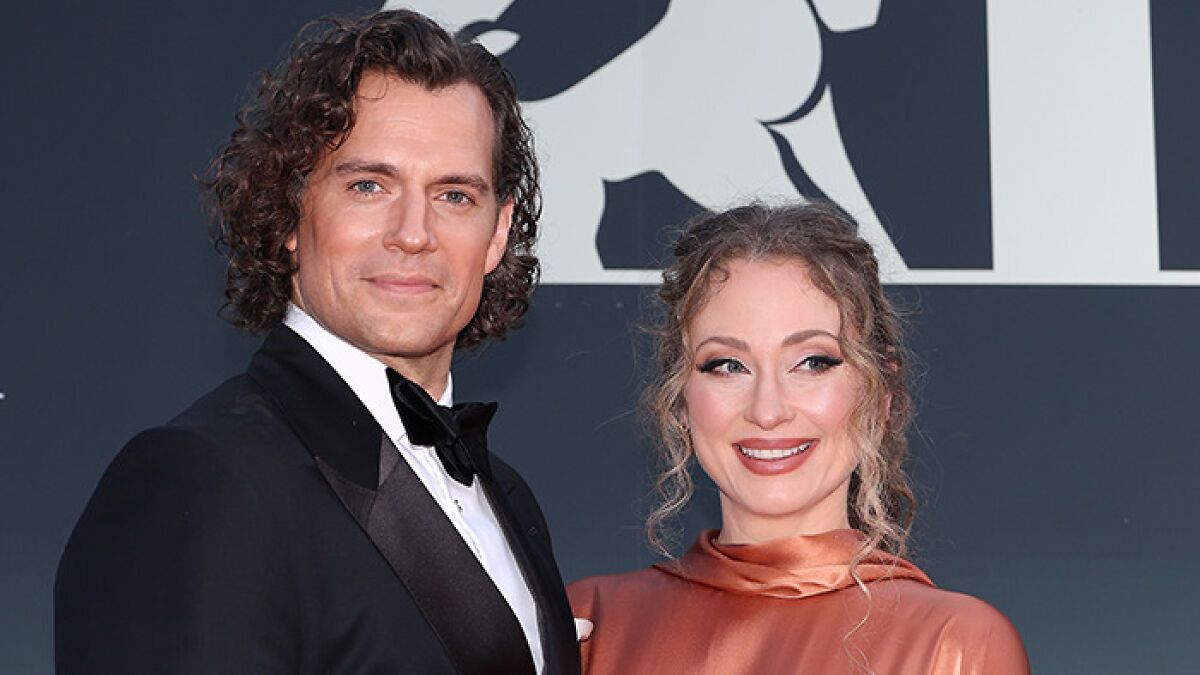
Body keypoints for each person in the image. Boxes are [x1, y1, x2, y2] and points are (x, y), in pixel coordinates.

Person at [55, 10, 580, 675]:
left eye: (453, 195)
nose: (412, 232)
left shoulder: (509, 497)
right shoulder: (197, 481)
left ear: (497, 234)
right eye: (368, 185)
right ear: (289, 215)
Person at [568, 202, 1029, 674]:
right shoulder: (586, 626)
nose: (767, 411)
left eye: (812, 362)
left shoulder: (955, 645)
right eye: (727, 365)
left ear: (880, 391)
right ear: (681, 399)